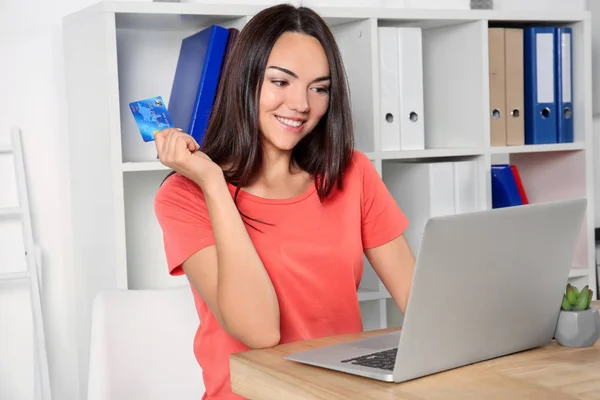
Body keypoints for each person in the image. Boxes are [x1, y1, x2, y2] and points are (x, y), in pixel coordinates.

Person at [153, 3, 416, 399]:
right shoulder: (184, 196)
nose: (301, 105)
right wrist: (211, 182)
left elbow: (420, 302)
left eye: (319, 88)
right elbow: (260, 332)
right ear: (246, 80)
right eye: (281, 82)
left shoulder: (353, 173)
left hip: (343, 392)